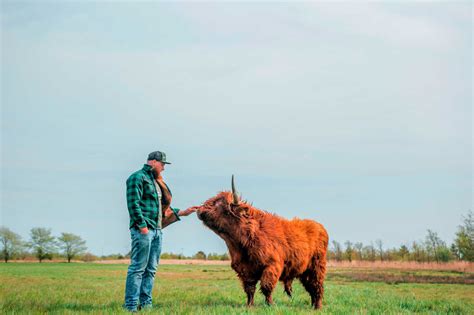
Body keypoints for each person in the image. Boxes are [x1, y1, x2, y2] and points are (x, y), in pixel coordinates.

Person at [124, 150, 197, 312]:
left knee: (151, 270)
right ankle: (130, 306)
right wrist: (142, 227)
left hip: (157, 231)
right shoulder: (137, 177)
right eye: (163, 164)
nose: (164, 167)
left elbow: (160, 209)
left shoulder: (156, 181)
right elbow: (133, 204)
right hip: (144, 230)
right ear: (154, 162)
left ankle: (146, 304)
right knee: (137, 268)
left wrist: (183, 212)